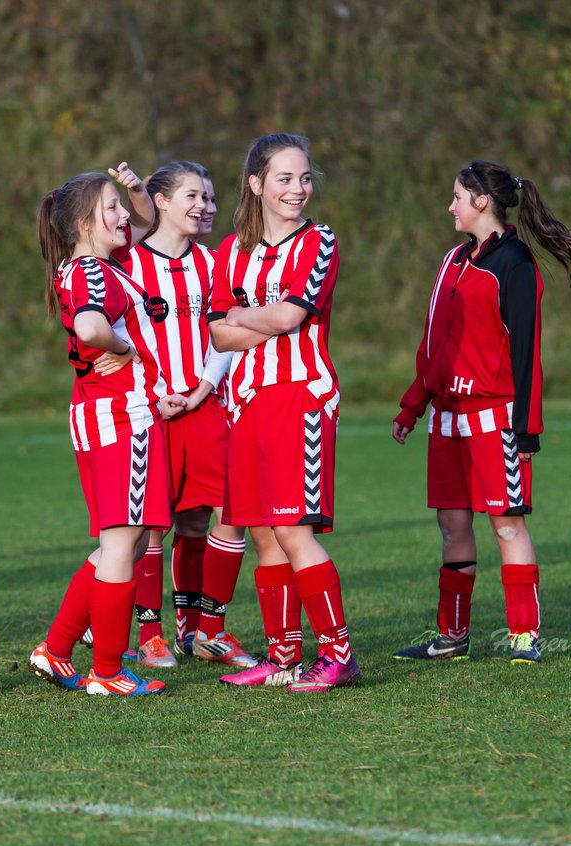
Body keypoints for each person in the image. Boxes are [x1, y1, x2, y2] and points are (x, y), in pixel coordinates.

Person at [391, 160, 571, 665]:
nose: (450, 205)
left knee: (506, 525)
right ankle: (452, 637)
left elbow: (526, 352)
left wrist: (527, 428)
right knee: (453, 526)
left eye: (457, 196)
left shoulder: (515, 263)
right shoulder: (453, 260)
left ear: (482, 202)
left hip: (494, 421)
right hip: (446, 421)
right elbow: (434, 343)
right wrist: (414, 404)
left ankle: (525, 635)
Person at [27, 165, 189, 697]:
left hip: (111, 414)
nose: (124, 216)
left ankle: (56, 649)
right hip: (121, 419)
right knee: (124, 544)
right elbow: (93, 327)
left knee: (123, 539)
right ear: (82, 223)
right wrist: (125, 350)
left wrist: (136, 193)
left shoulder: (99, 262)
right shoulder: (92, 271)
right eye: (111, 208)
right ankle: (109, 671)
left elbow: (143, 220)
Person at [207, 133, 359, 692]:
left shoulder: (318, 241)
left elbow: (290, 318)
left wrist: (246, 315)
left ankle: (338, 654)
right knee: (265, 537)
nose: (299, 190)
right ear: (256, 185)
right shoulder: (230, 251)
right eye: (285, 179)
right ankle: (284, 656)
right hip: (244, 401)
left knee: (295, 529)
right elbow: (218, 335)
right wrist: (252, 318)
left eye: (305, 178)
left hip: (301, 397)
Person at [121, 161, 256, 670]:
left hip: (206, 403)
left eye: (210, 198)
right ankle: (151, 636)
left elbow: (227, 325)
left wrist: (205, 384)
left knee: (219, 515)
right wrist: (154, 391)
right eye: (194, 196)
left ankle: (206, 630)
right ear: (160, 202)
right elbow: (120, 336)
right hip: (150, 408)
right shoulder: (129, 263)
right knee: (153, 524)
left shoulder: (215, 261)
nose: (206, 206)